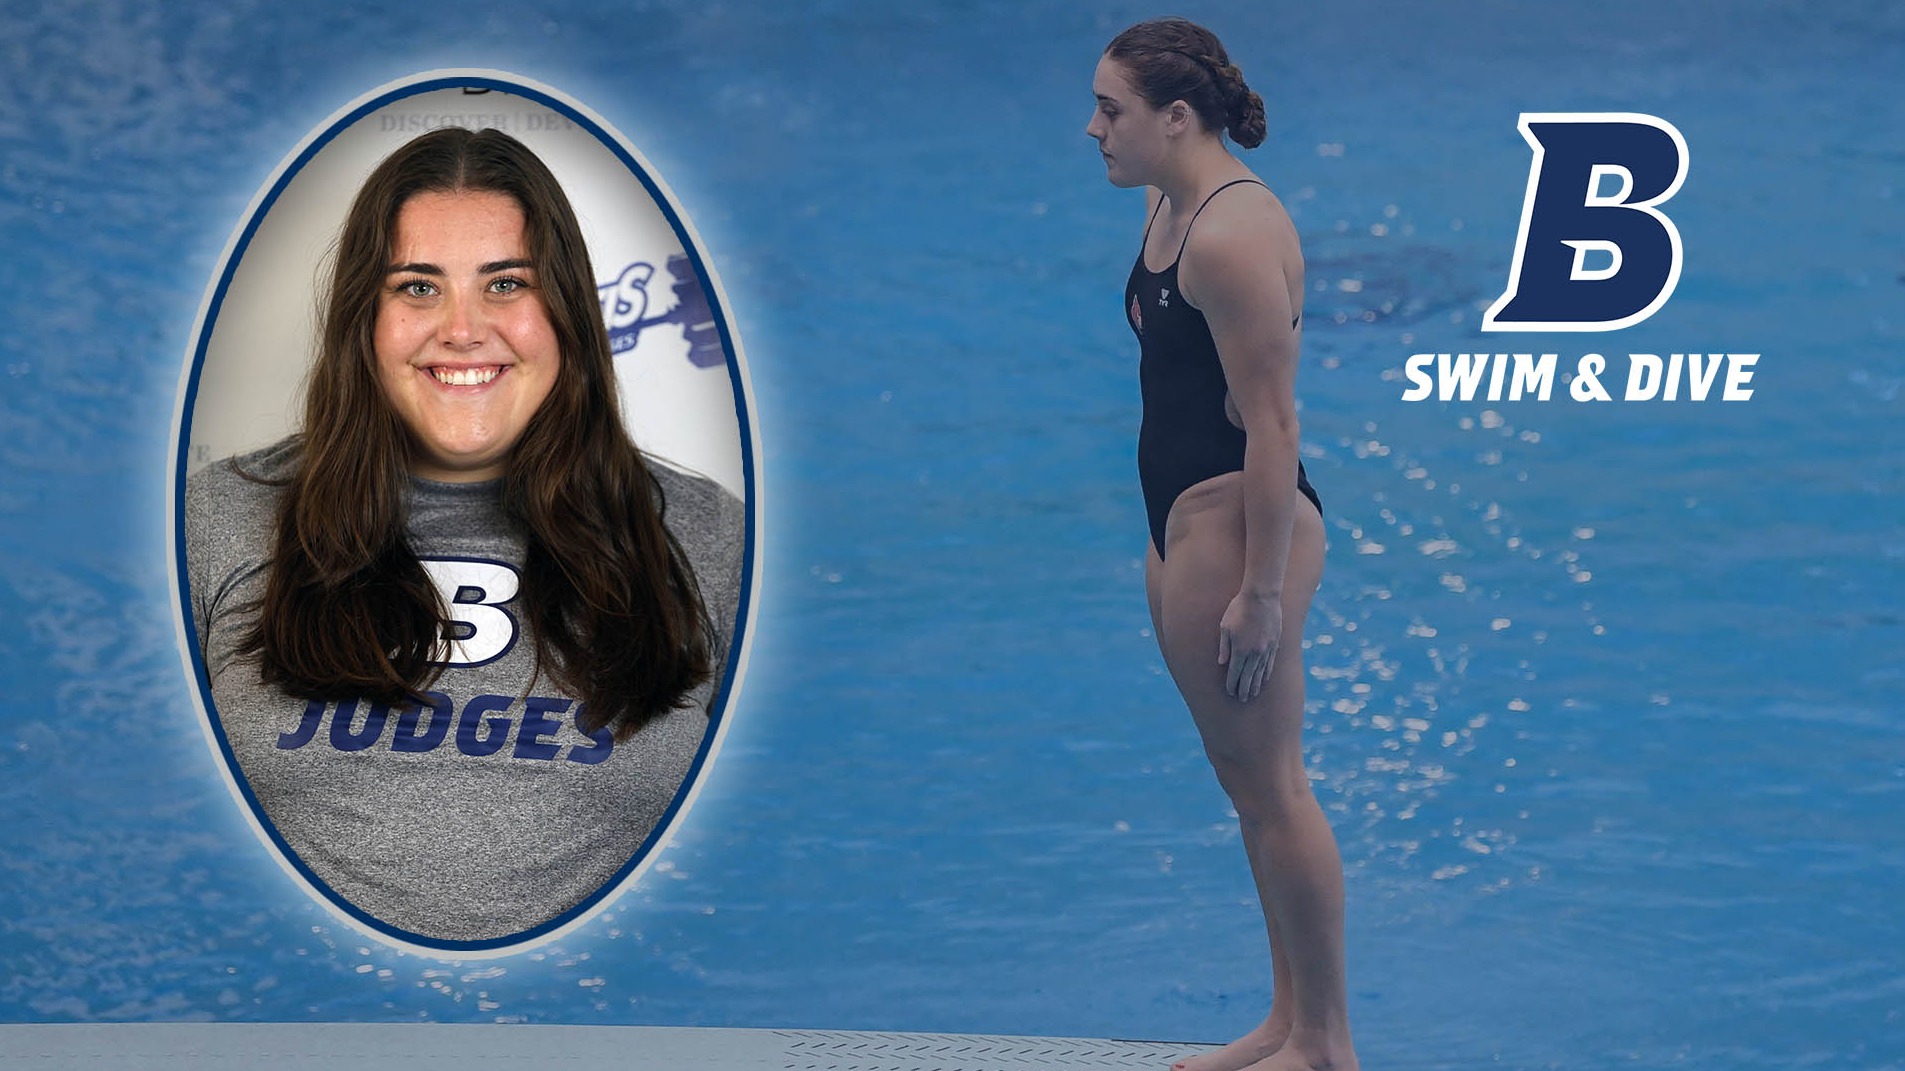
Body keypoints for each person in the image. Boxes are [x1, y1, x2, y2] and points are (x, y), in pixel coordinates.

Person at [186, 126, 744, 944]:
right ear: (363, 320)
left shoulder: (709, 535)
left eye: (506, 283)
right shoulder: (211, 519)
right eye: (417, 287)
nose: (462, 328)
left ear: (565, 311)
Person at [1086, 19, 1358, 1071]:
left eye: (1112, 110)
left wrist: (1261, 595)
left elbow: (1275, 427)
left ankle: (1328, 1045)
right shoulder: (1170, 203)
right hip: (1183, 523)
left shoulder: (1234, 235)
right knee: (1246, 786)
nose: (1094, 129)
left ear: (1176, 117)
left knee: (1276, 787)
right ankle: (1286, 1024)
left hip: (1243, 532)